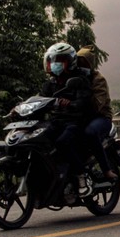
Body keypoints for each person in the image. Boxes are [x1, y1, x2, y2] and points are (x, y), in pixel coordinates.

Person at [41, 42, 94, 196]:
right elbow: (41, 100)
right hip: (56, 122)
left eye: (60, 61)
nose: (55, 64)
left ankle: (80, 176)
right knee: (42, 140)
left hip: (75, 122)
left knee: (62, 142)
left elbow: (84, 101)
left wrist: (71, 104)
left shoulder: (79, 80)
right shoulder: (49, 84)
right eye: (52, 61)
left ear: (69, 62)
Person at [76, 45, 118, 182]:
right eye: (78, 62)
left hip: (101, 118)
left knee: (90, 132)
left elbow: (98, 106)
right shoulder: (74, 79)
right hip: (81, 118)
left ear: (90, 64)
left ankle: (106, 170)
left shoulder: (98, 80)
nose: (80, 66)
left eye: (83, 63)